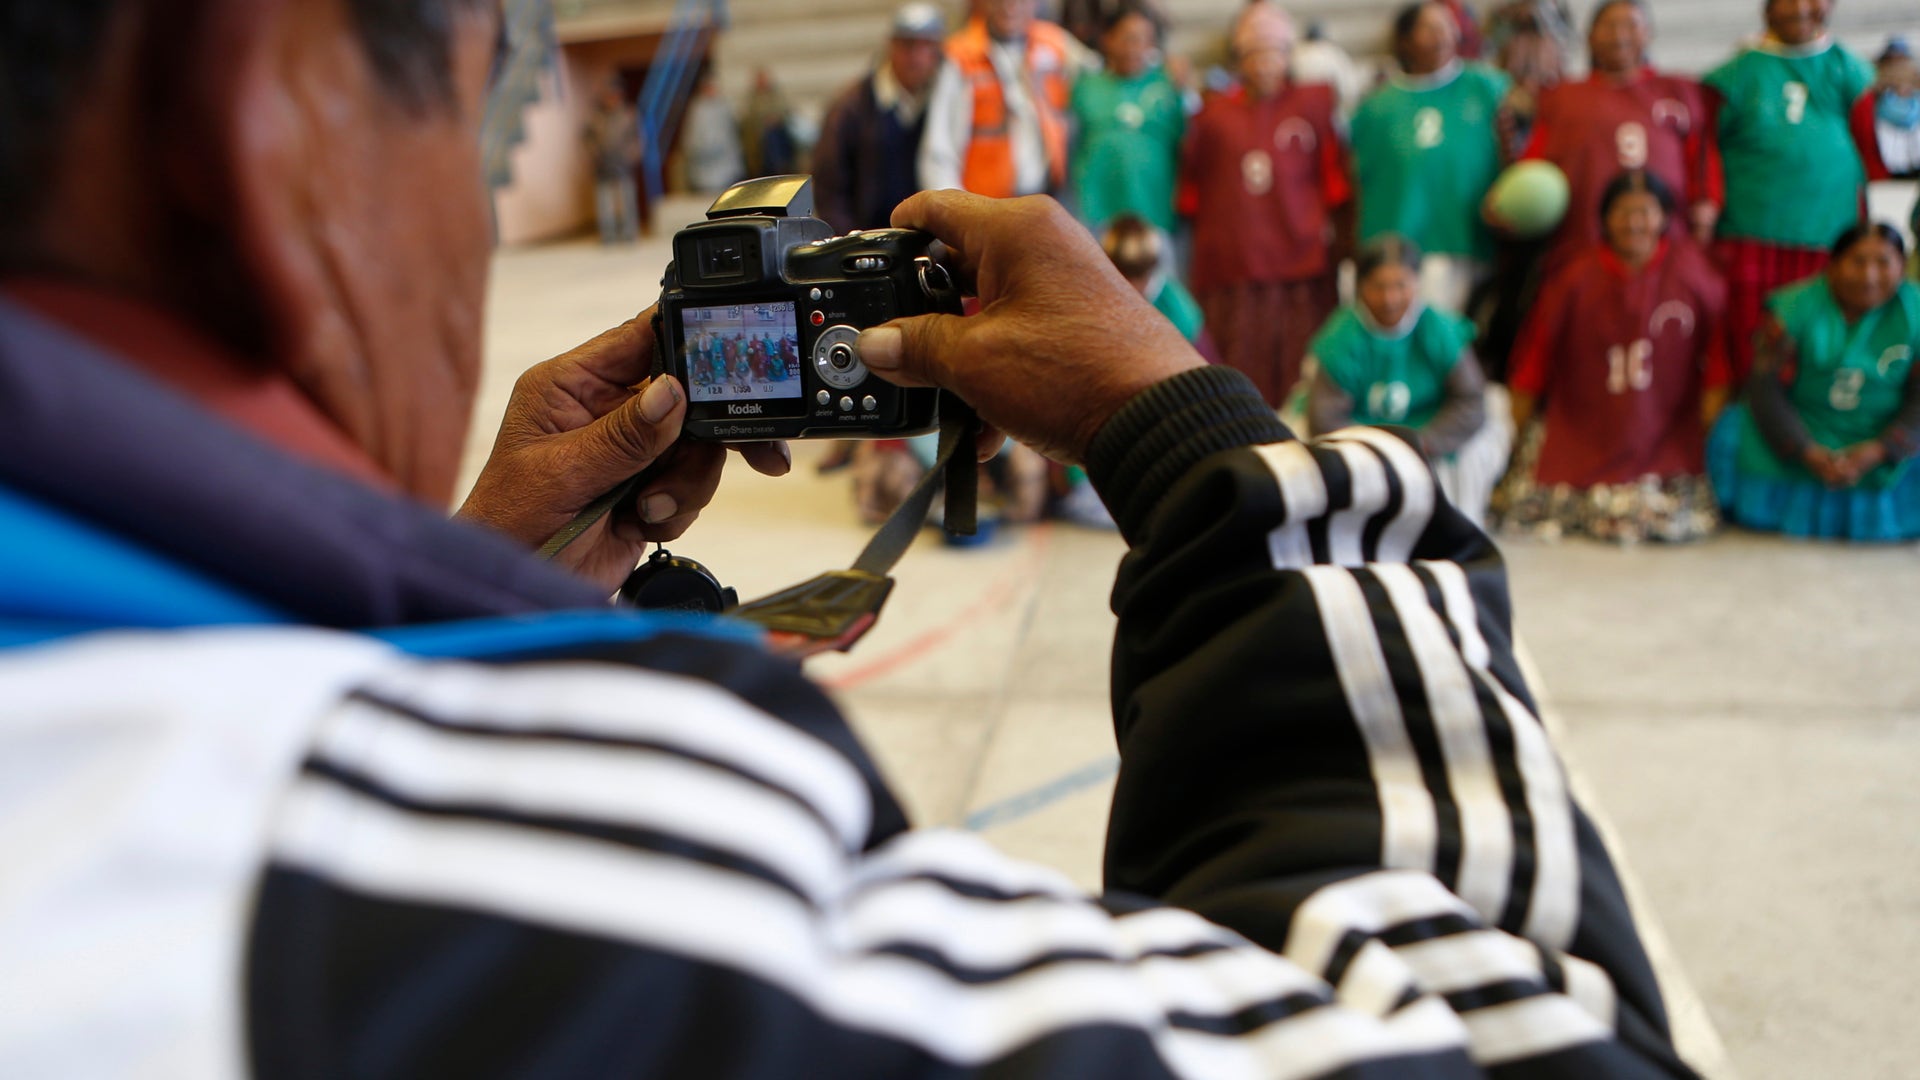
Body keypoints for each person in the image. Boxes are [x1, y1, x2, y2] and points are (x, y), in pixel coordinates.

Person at [3, 2, 1698, 1075]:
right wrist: (1189, 434)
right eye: (500, 93)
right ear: (274, 102)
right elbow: (1541, 1028)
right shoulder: (577, 919)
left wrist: (449, 619)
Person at [1498, 171, 1730, 544]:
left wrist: (1702, 430)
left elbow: (1718, 371)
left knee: (1679, 513)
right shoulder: (1572, 277)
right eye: (1622, 211)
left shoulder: (1694, 277)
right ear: (1604, 218)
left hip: (1664, 433)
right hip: (1582, 428)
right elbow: (1533, 362)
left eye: (1645, 211)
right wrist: (1517, 434)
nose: (1634, 222)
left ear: (1665, 217)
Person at [1180, 1, 1351, 407]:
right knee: (1238, 367)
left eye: (1273, 54)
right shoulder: (1211, 115)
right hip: (1235, 260)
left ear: (1288, 56)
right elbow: (1191, 192)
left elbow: (1336, 185)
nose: (1264, 65)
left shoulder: (1314, 102)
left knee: (1303, 368)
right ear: (1240, 60)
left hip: (1301, 257)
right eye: (1254, 55)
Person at [1708, 223, 1920, 540]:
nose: (1870, 276)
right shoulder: (1791, 309)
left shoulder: (1915, 312)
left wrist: (1878, 450)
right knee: (1732, 427)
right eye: (1858, 261)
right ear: (1832, 266)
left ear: (1902, 267)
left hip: (1879, 430)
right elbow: (1764, 389)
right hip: (1805, 425)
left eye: (1883, 262)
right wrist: (1806, 450)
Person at [1702, 0, 1875, 384]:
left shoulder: (1849, 68)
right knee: (1751, 347)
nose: (1800, 8)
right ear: (1767, 10)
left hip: (1828, 236)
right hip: (1751, 232)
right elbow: (1703, 151)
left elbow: (1874, 150)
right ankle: (1749, 426)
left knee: (1817, 346)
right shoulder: (1735, 75)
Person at [1304, 234, 1511, 525]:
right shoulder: (1342, 336)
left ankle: (1454, 528)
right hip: (1359, 435)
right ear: (1361, 287)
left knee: (1481, 440)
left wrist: (1426, 441)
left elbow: (1470, 401)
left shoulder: (1439, 329)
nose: (1390, 299)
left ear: (1417, 283)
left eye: (1400, 285)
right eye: (1379, 286)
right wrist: (1376, 449)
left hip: (1429, 430)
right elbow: (1326, 416)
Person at [1520, 1, 1717, 279]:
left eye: (1630, 25)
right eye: (1609, 26)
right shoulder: (1561, 98)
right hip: (1581, 242)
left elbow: (1702, 158)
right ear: (1589, 37)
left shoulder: (1679, 92)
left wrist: (1706, 206)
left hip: (1666, 247)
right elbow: (1532, 169)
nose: (1619, 35)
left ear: (1648, 33)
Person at [1351, 2, 1512, 314]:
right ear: (1406, 40)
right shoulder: (1376, 107)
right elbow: (1359, 177)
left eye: (1448, 25)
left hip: (1468, 239)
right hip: (1400, 253)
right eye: (1429, 28)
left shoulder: (1487, 88)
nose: (1442, 36)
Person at [918, 0, 1096, 199]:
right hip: (985, 205)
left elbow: (1102, 74)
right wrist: (954, 213)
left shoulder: (1055, 44)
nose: (1009, 6)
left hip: (1045, 198)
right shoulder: (961, 55)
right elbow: (939, 150)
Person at [813, 3, 948, 233]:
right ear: (891, 47)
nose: (916, 57)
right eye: (907, 45)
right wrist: (853, 245)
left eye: (926, 46)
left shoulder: (946, 100)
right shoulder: (851, 107)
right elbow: (830, 190)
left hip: (930, 238)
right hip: (870, 241)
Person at [1068, 3, 1185, 235]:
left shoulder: (1168, 86)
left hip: (1155, 211)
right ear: (1107, 39)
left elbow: (1186, 145)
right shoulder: (1086, 86)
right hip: (1097, 214)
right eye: (1126, 38)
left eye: (1142, 39)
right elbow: (1069, 146)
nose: (1134, 48)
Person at [584, 80, 645, 244]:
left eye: (615, 96)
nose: (612, 99)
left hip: (623, 165)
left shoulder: (628, 115)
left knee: (626, 201)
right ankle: (608, 235)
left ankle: (629, 233)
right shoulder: (596, 118)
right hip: (603, 167)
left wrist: (630, 156)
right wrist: (595, 155)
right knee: (605, 204)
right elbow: (588, 139)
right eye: (609, 96)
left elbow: (638, 139)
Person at [1851, 36, 1920, 181]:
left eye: (1900, 59)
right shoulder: (1875, 81)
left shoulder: (1914, 79)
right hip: (1885, 130)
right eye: (1893, 59)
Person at [680, 68, 748, 194]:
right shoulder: (697, 109)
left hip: (725, 162)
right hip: (705, 162)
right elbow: (692, 137)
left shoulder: (724, 106)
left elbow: (732, 132)